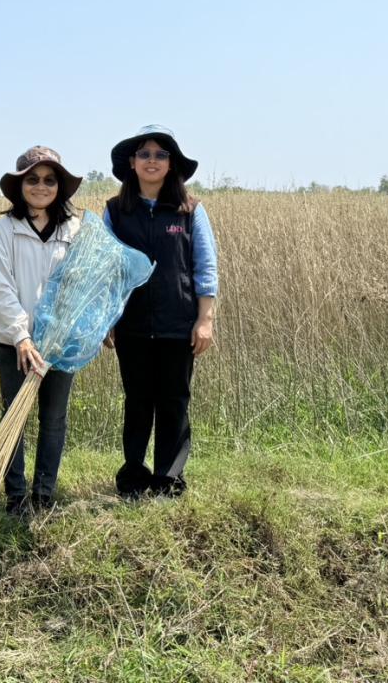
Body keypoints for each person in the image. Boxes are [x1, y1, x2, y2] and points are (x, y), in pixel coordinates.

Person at [104, 124, 218, 499]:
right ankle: (134, 478)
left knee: (174, 402)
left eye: (160, 154)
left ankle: (169, 480)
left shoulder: (190, 211)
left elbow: (205, 269)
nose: (152, 161)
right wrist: (107, 319)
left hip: (178, 325)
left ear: (171, 165)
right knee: (137, 402)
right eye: (144, 154)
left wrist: (205, 320)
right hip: (132, 326)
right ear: (132, 164)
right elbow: (106, 270)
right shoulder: (116, 211)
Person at [0, 146, 84, 516]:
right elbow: (1, 288)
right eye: (32, 179)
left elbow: (81, 285)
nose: (41, 186)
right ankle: (15, 496)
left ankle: (44, 494)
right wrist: (22, 337)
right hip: (15, 344)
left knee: (54, 418)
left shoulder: (75, 231)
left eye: (49, 180)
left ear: (59, 186)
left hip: (60, 345)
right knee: (14, 417)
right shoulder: (4, 231)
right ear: (19, 186)